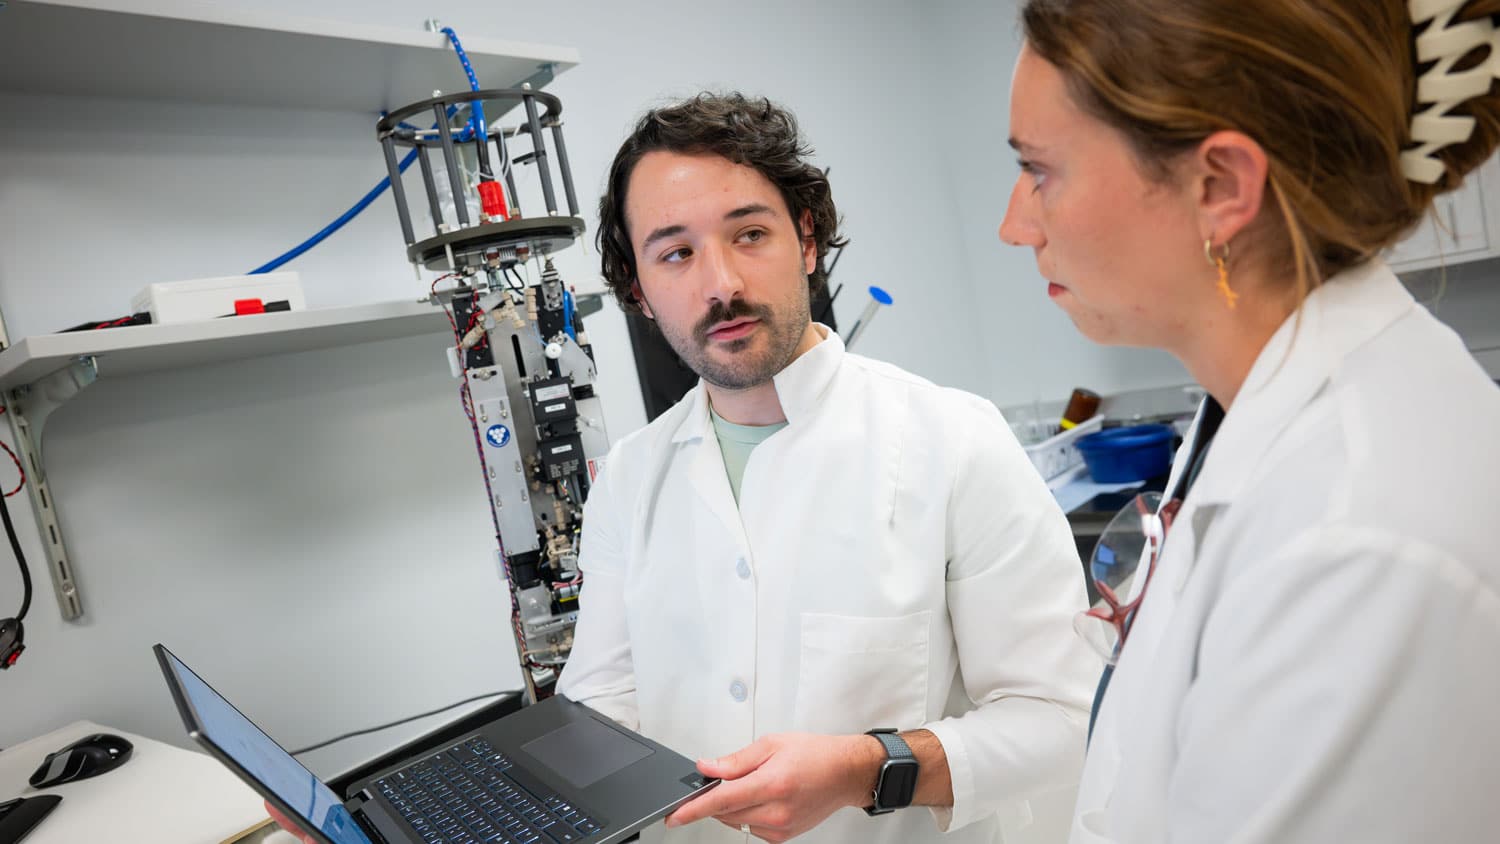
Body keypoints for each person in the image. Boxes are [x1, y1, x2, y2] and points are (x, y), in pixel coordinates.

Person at [999, 1, 1500, 841]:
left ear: (1221, 187)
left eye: (1040, 171)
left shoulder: (1354, 545)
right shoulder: (1248, 411)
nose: (1014, 225)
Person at [555, 92, 1097, 844]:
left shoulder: (955, 442)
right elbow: (598, 712)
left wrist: (866, 768)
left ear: (807, 241)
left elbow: (1065, 716)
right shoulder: (626, 481)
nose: (721, 284)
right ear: (637, 290)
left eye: (749, 234)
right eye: (675, 253)